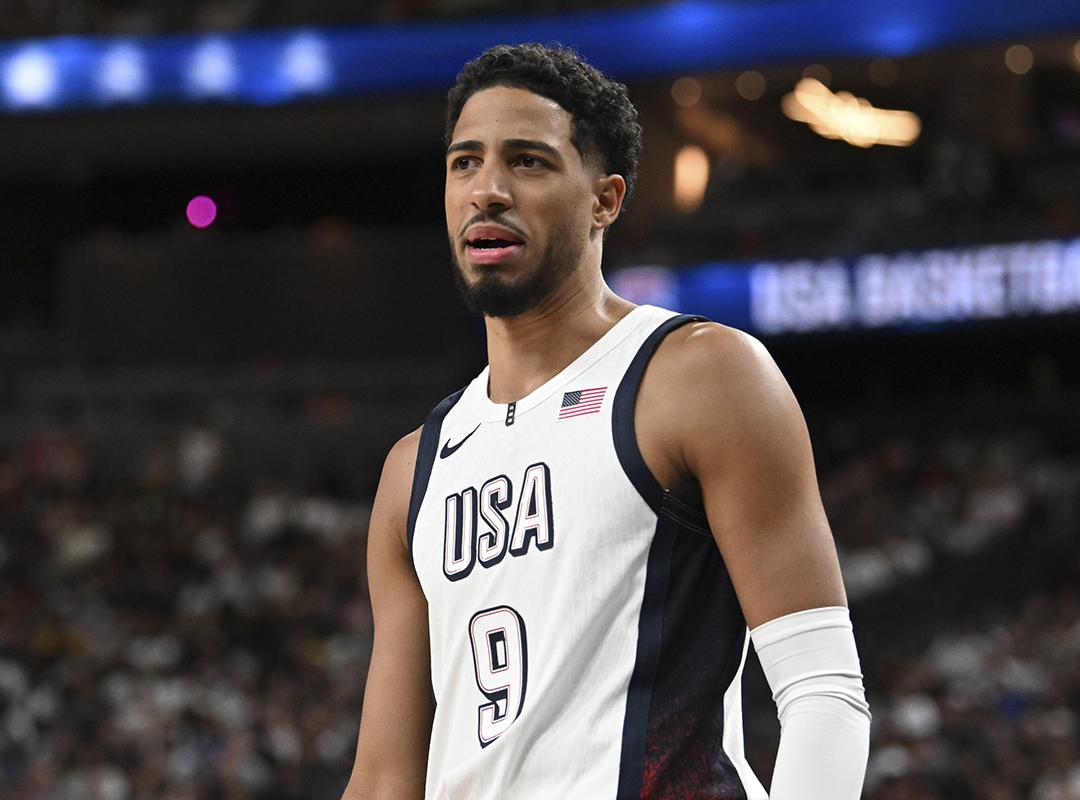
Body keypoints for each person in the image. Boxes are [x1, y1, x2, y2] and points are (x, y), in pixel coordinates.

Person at [342, 43, 870, 800]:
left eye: (526, 161)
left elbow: (824, 695)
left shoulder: (699, 376)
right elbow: (386, 778)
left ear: (606, 200)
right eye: (465, 163)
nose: (486, 190)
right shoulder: (413, 470)